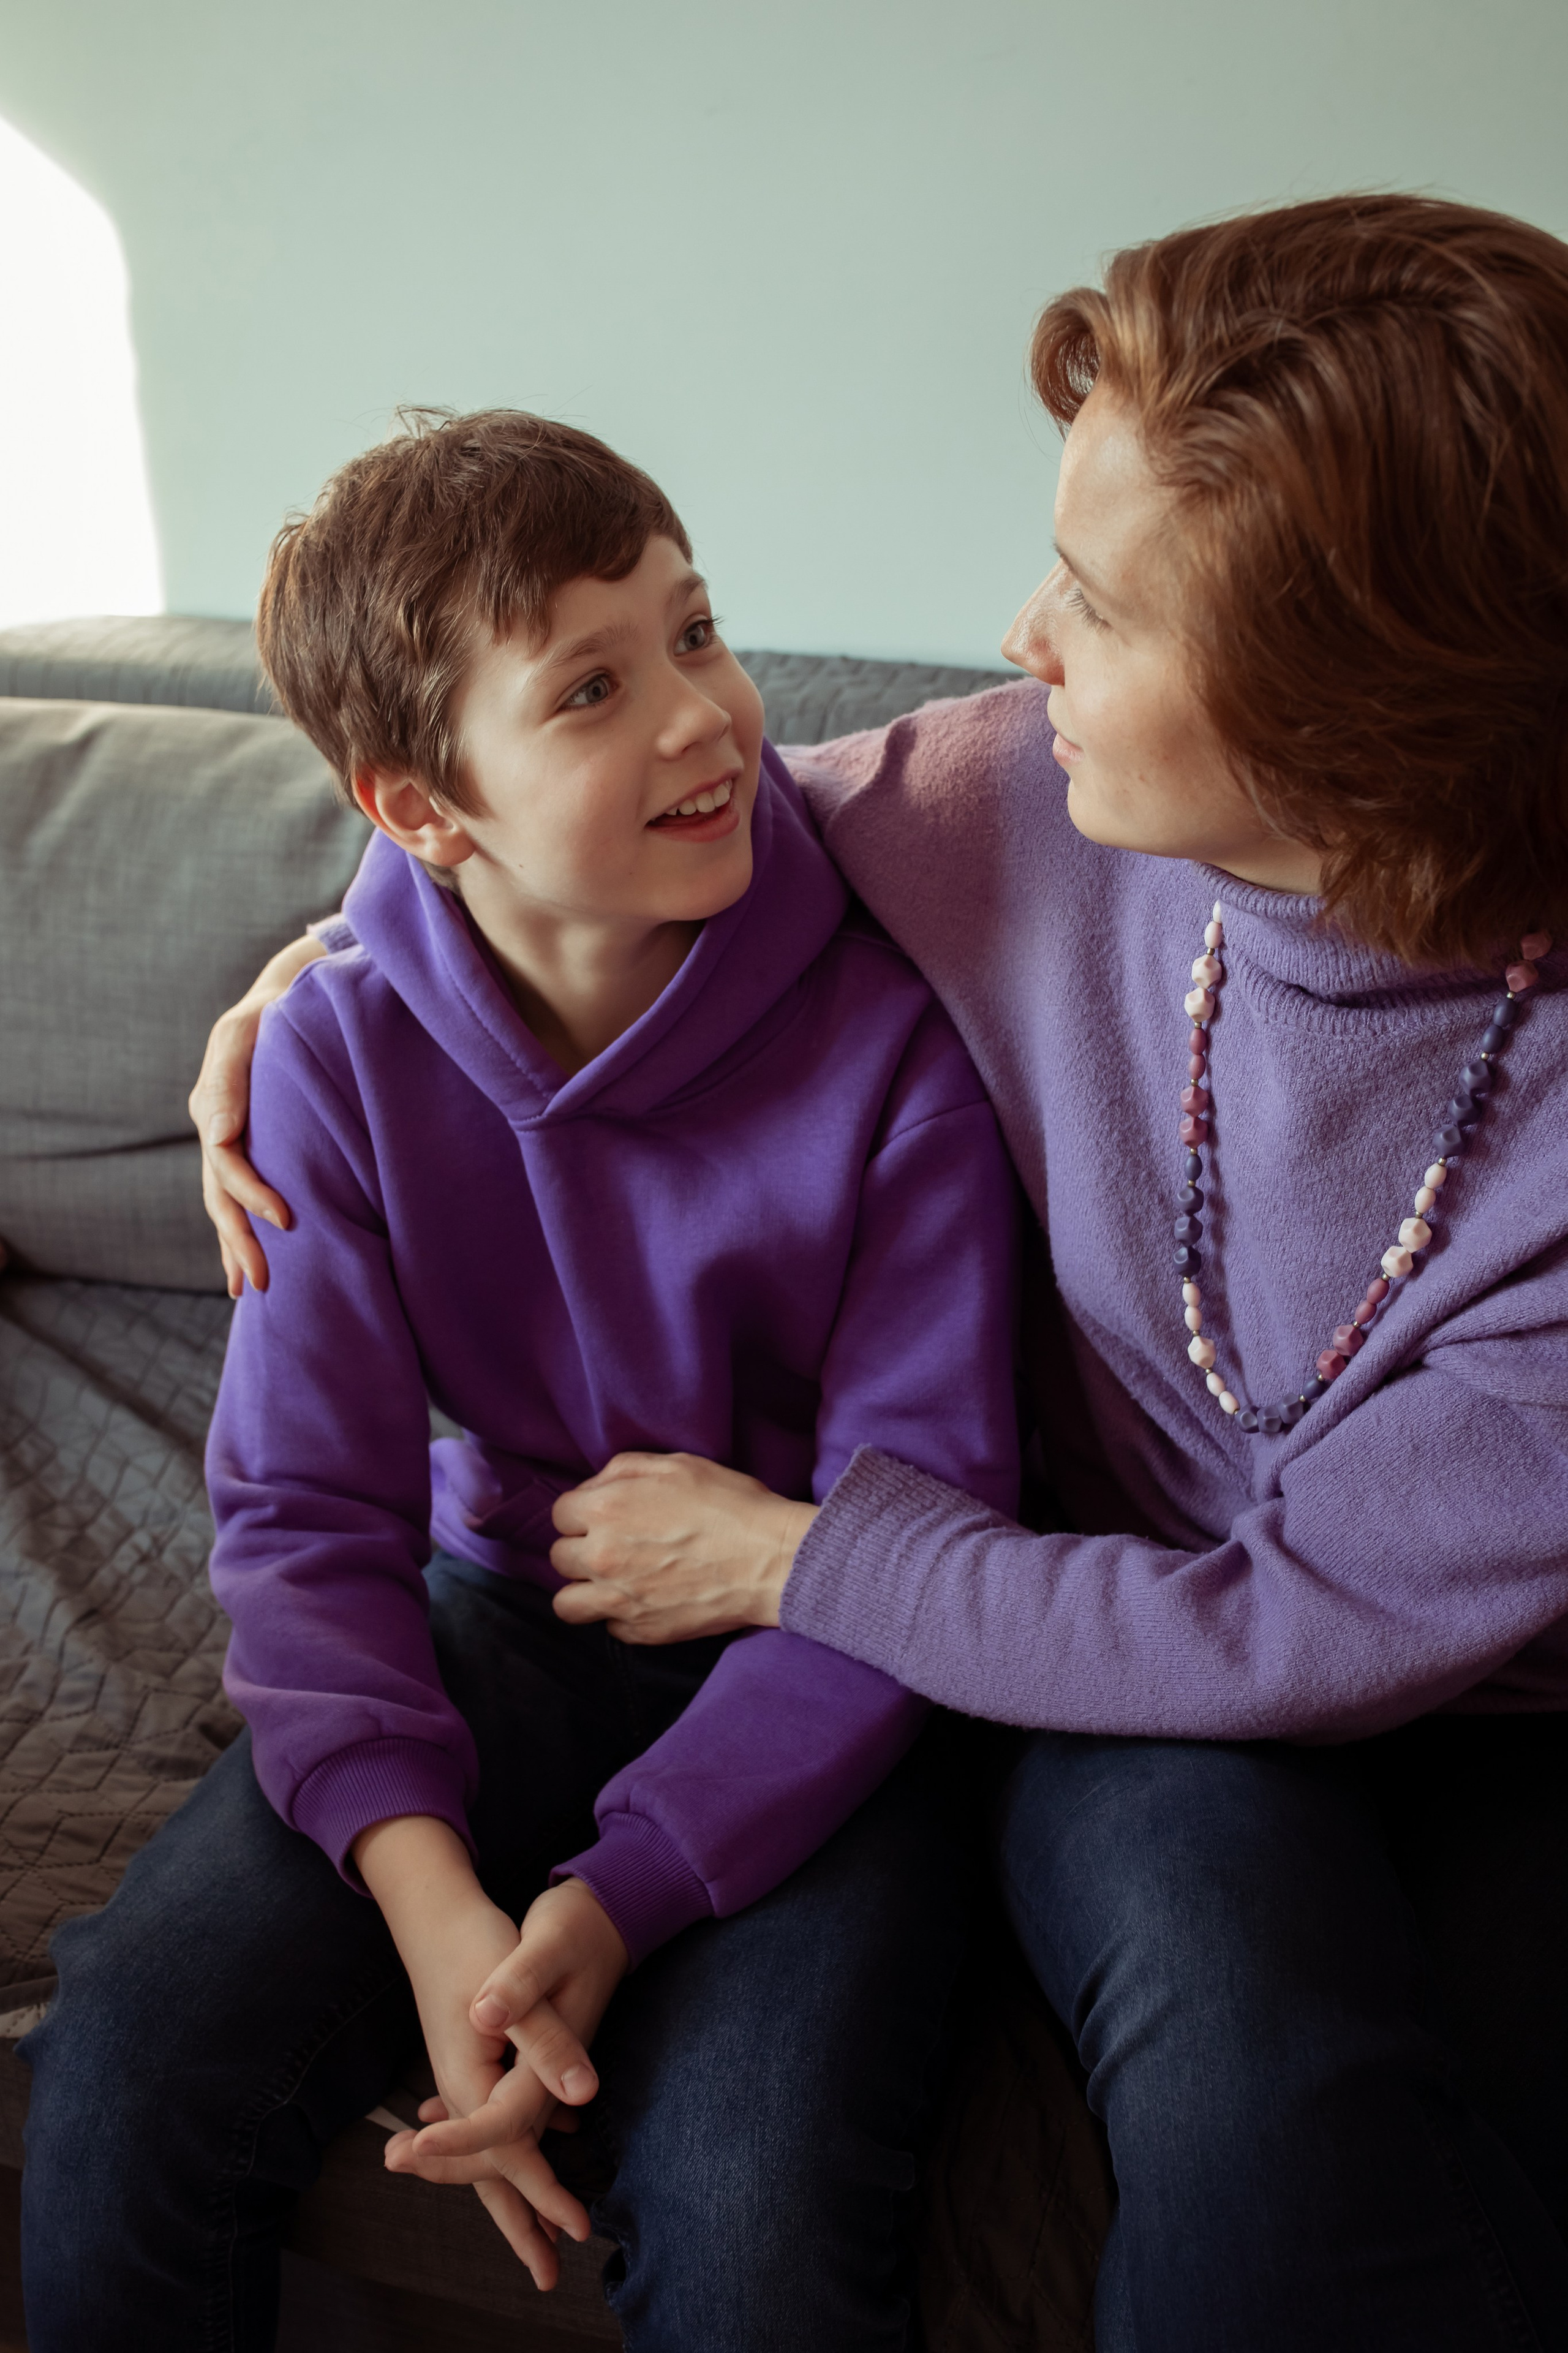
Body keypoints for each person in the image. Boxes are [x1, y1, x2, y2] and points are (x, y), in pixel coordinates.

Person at [191, 195, 1568, 2349]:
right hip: (1107, 1654)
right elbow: (542, 842)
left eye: (1100, 604)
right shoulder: (1011, 796)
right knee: (1256, 2085)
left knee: (1389, 2168)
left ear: (1349, 706)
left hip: (1449, 1687)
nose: (1019, 638)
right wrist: (297, 999)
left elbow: (1282, 1625)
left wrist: (805, 1562)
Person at [19, 412, 1023, 2352]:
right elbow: (309, 1517)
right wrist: (435, 1906)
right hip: (514, 1611)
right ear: (421, 809)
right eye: (591, 686)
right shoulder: (330, 1052)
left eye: (696, 630)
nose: (702, 716)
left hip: (839, 1654)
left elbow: (926, 1516)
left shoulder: (894, 1034)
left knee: (757, 2195)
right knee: (129, 2062)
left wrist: (617, 1898)